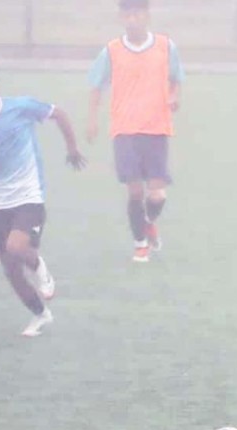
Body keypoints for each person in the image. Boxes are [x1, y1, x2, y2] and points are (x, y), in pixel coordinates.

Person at [0, 61, 85, 337]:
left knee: (17, 247)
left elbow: (59, 114)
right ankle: (40, 315)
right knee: (10, 268)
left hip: (28, 195)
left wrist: (72, 148)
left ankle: (39, 267)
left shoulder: (20, 107)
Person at [87, 0, 185, 263]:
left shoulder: (166, 46)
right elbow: (96, 85)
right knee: (135, 192)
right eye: (127, 13)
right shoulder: (112, 50)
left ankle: (148, 221)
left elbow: (176, 79)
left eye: (138, 13)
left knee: (157, 195)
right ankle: (140, 243)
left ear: (147, 15)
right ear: (121, 17)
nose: (133, 18)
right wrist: (92, 119)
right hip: (125, 129)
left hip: (157, 128)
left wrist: (174, 96)